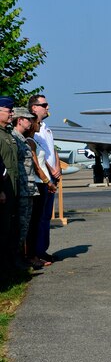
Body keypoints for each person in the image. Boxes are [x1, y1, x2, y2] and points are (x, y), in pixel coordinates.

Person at [28, 94, 61, 262]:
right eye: (44, 105)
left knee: (47, 216)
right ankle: (37, 251)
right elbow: (37, 155)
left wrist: (58, 167)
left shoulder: (46, 127)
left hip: (52, 176)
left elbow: (51, 149)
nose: (47, 107)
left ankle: (43, 249)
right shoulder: (33, 129)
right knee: (39, 217)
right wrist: (49, 171)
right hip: (42, 178)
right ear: (34, 108)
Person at [25, 116, 57, 268]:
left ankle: (38, 252)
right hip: (39, 184)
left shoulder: (35, 140)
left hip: (43, 184)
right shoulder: (30, 141)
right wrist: (48, 181)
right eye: (37, 123)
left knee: (41, 219)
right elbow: (36, 166)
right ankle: (34, 254)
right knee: (36, 221)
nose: (39, 125)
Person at [12, 107, 37, 266]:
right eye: (28, 119)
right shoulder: (14, 138)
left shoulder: (22, 138)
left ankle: (20, 259)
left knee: (25, 226)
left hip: (27, 189)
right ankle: (16, 261)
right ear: (19, 120)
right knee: (19, 228)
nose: (30, 122)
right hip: (21, 189)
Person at [0, 96, 18, 275]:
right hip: (3, 191)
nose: (11, 114)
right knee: (3, 231)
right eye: (8, 111)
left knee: (11, 229)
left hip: (12, 190)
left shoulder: (7, 134)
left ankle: (10, 266)